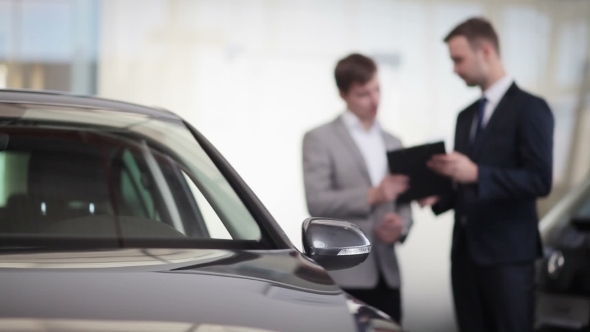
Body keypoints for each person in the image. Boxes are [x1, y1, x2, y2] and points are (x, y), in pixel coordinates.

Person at [420, 17, 554, 332]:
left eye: (458, 59)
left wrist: (477, 173)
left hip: (507, 258)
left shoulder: (531, 108)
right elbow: (465, 183)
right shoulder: (465, 116)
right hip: (465, 254)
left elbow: (539, 179)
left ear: (486, 51)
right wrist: (438, 193)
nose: (454, 69)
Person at [302, 53, 412, 323]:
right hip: (346, 274)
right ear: (343, 94)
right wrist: (372, 195)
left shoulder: (393, 141)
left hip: (388, 273)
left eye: (377, 90)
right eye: (363, 94)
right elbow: (317, 201)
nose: (374, 100)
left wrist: (402, 226)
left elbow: (405, 202)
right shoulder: (319, 138)